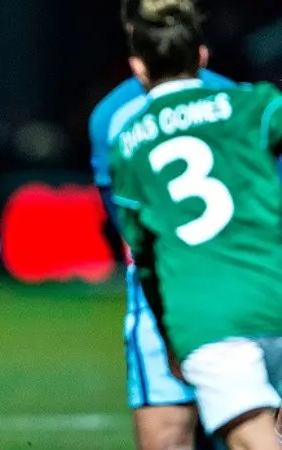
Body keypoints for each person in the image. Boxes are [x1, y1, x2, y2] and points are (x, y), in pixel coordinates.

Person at [108, 0, 282, 448]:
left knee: (256, 441)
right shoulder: (252, 104)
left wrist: (168, 334)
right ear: (202, 56)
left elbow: (142, 255)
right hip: (274, 292)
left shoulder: (128, 144)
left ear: (138, 68)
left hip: (206, 315)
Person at [88, 0, 233, 447]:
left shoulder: (115, 117)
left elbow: (130, 229)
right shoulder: (241, 101)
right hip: (242, 285)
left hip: (172, 293)